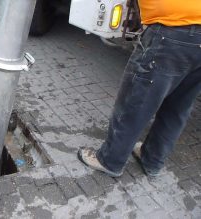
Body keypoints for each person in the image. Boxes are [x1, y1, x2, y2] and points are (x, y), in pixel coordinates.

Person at [78, 0, 201, 177]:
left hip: (171, 31)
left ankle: (110, 160)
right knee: (179, 106)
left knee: (136, 101)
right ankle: (152, 160)